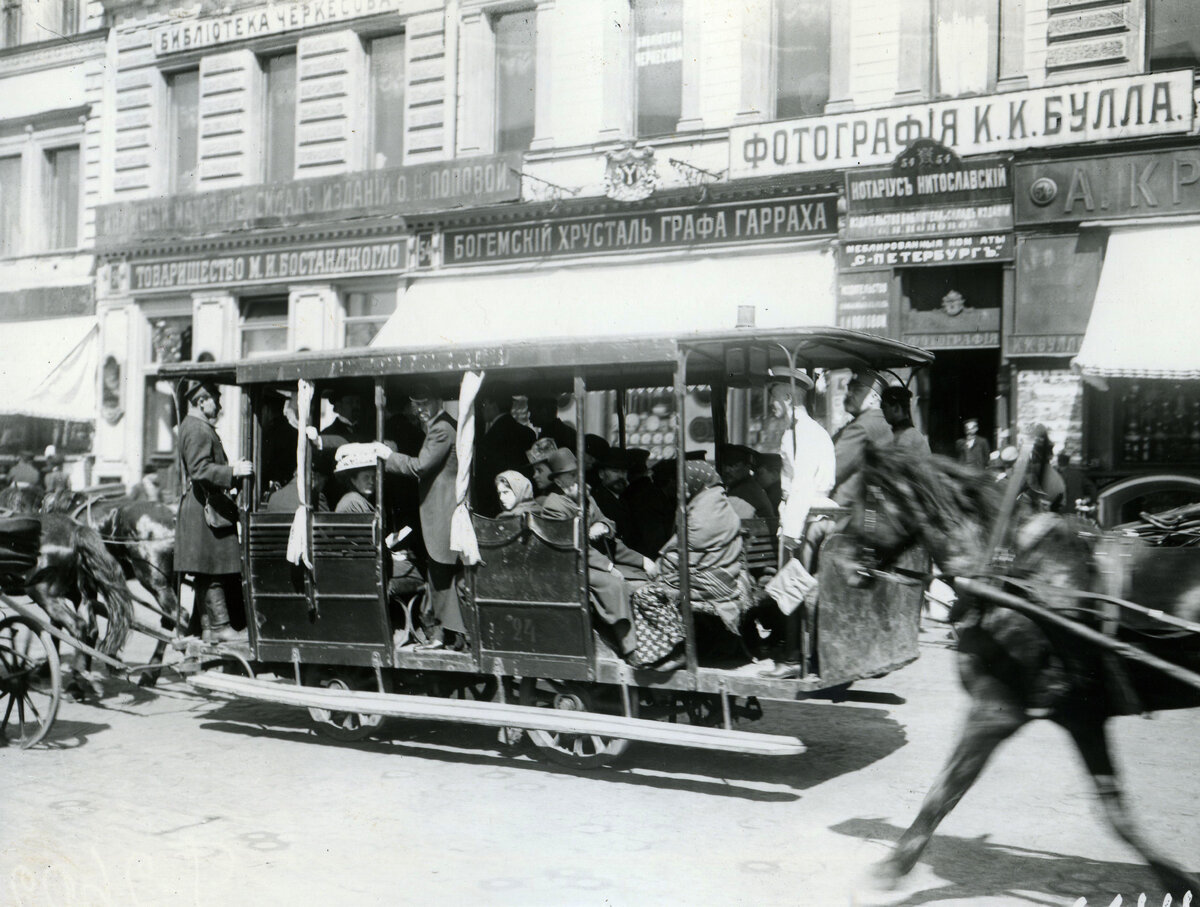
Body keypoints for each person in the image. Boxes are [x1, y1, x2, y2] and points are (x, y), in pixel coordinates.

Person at [627, 461, 751, 671]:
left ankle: (676, 650)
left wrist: (661, 568)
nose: (681, 488)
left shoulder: (703, 513)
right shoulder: (717, 502)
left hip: (710, 584)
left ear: (696, 482)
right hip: (726, 576)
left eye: (684, 483)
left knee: (645, 594)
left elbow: (685, 556)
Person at [376, 385, 465, 651]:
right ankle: (447, 635)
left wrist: (389, 456)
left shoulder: (441, 429)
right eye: (417, 404)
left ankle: (445, 636)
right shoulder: (446, 424)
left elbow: (420, 466)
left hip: (441, 512)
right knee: (441, 574)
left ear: (439, 400)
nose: (420, 409)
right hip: (442, 511)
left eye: (425, 403)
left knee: (440, 573)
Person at [540, 448, 647, 660]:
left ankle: (646, 640)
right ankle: (630, 648)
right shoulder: (554, 505)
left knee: (639, 577)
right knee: (613, 584)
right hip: (569, 565)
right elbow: (574, 544)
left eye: (577, 473)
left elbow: (607, 521)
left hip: (588, 560)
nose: (577, 479)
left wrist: (603, 527)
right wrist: (609, 567)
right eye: (571, 476)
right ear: (559, 482)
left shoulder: (585, 497)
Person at [176, 380, 253, 643]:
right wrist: (233, 472)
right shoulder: (197, 429)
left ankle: (210, 628)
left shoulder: (196, 426)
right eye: (215, 400)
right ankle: (220, 627)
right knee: (212, 568)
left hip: (203, 507)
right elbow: (199, 470)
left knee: (207, 569)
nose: (219, 405)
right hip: (205, 511)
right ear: (201, 401)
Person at [476, 393, 536, 516]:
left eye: (484, 404)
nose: (482, 409)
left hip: (497, 504)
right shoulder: (527, 433)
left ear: (494, 405)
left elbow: (484, 479)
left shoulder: (488, 439)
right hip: (524, 503)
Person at [718, 444, 774, 521]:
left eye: (734, 465)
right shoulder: (746, 486)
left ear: (747, 467)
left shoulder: (745, 492)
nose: (726, 470)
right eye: (724, 465)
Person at [590, 447, 634, 541]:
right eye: (615, 471)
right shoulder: (597, 500)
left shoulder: (625, 498)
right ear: (601, 474)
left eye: (624, 471)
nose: (621, 476)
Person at [881, 386, 930, 456]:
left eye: (884, 407)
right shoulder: (909, 435)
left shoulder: (907, 438)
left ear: (896, 408)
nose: (882, 411)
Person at [333, 444, 380, 513]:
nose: (371, 481)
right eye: (366, 477)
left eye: (373, 477)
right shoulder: (353, 502)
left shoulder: (359, 500)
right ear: (353, 480)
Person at [266, 468, 330, 513]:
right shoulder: (316, 496)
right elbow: (327, 524)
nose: (323, 485)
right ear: (314, 476)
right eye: (325, 480)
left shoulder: (274, 497)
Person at [524, 437, 557, 503]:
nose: (534, 476)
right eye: (534, 471)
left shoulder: (543, 501)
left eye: (539, 470)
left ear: (553, 469)